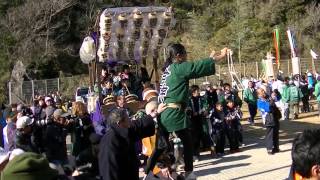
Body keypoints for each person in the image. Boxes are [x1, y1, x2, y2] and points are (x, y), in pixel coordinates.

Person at [158, 43, 228, 179]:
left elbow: (196, 67)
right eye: (185, 53)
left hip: (165, 111)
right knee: (186, 142)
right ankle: (187, 171)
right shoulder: (178, 67)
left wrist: (209, 59)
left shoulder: (168, 70)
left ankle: (170, 169)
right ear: (178, 56)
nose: (186, 56)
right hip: (174, 112)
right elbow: (197, 67)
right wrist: (220, 56)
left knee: (165, 145)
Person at [98, 104, 166, 180]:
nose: (130, 120)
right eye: (128, 118)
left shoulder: (122, 130)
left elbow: (138, 125)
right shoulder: (110, 141)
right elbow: (109, 169)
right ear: (119, 122)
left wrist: (154, 114)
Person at [257, 88, 281, 155]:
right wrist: (271, 101)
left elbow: (278, 98)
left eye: (263, 90)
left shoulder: (269, 97)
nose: (264, 92)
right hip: (268, 119)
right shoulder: (259, 101)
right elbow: (267, 109)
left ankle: (276, 147)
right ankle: (269, 148)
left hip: (275, 117)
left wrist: (276, 93)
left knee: (276, 133)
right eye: (262, 91)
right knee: (270, 134)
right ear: (259, 94)